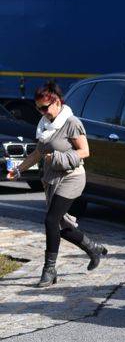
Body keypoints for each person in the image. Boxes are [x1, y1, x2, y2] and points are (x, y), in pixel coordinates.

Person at [6, 82, 106, 286]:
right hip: (52, 179)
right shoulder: (44, 126)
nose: (41, 112)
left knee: (51, 221)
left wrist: (58, 157)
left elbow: (84, 151)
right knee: (61, 226)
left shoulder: (71, 122)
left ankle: (49, 270)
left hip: (72, 177)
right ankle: (93, 248)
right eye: (38, 108)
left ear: (57, 102)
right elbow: (37, 153)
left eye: (45, 107)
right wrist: (18, 170)